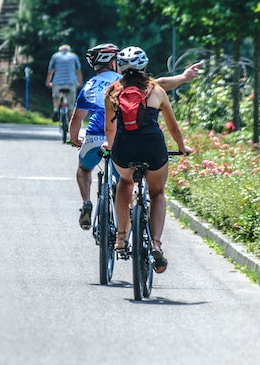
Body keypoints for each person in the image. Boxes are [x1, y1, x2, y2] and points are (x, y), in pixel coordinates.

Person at [70, 44, 200, 231]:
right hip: (131, 141)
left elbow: (77, 119)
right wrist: (183, 77)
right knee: (128, 184)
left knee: (84, 168)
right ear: (113, 63)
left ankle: (86, 202)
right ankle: (134, 225)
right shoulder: (128, 83)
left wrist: (75, 139)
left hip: (97, 140)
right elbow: (160, 84)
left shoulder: (93, 85)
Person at [102, 46, 192, 274]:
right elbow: (172, 126)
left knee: (125, 182)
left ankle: (121, 239)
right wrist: (182, 148)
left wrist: (110, 147)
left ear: (119, 68)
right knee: (157, 193)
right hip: (152, 147)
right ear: (144, 66)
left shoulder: (112, 90)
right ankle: (156, 244)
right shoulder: (156, 89)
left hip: (124, 148)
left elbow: (109, 128)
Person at [45, 44, 82, 122]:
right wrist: (80, 82)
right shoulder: (74, 56)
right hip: (71, 83)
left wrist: (48, 82)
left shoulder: (55, 56)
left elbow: (50, 71)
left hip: (57, 82)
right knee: (71, 106)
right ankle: (70, 120)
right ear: (69, 50)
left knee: (56, 97)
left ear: (60, 50)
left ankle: (55, 109)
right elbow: (78, 71)